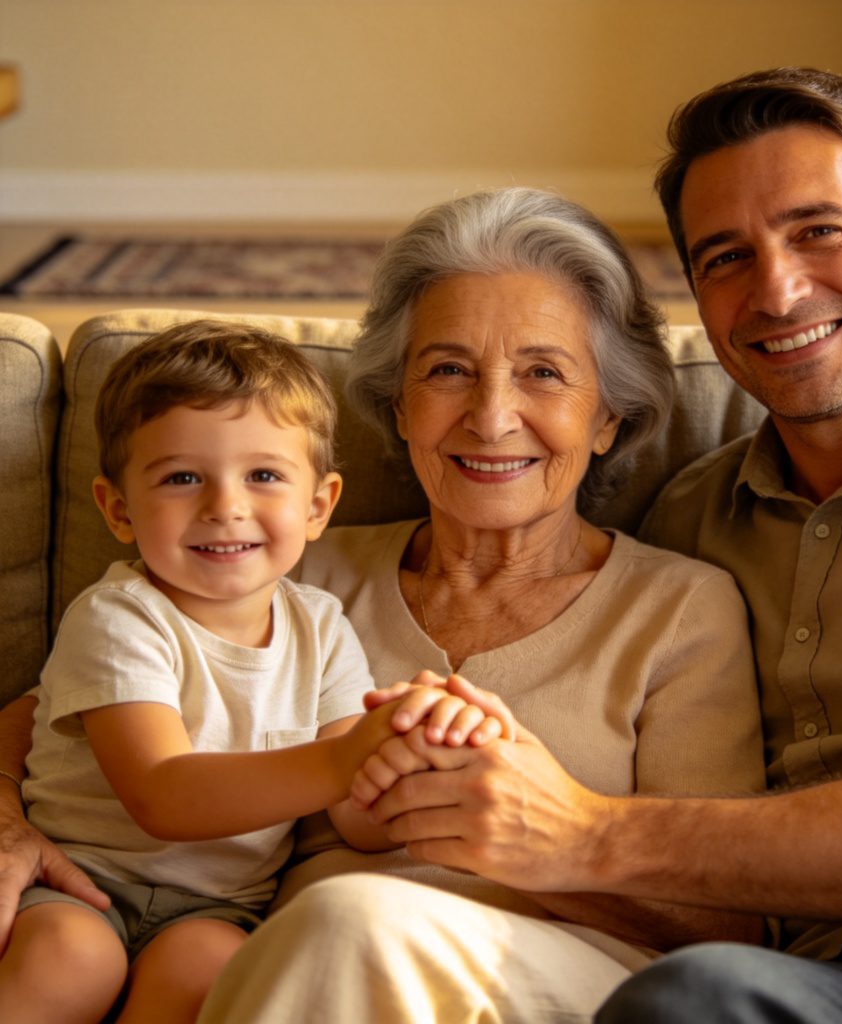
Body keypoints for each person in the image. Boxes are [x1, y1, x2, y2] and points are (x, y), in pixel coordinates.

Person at [314, 69, 842, 1023]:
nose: (776, 289)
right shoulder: (691, 517)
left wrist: (585, 835)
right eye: (726, 256)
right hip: (813, 984)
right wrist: (33, 799)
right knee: (693, 1000)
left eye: (819, 230)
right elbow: (156, 633)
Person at [191, 186, 767, 1022]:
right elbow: (87, 688)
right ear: (398, 404)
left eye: (543, 373)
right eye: (449, 370)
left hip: (562, 987)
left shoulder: (680, 611)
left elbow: (725, 922)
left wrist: (537, 842)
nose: (493, 418)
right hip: (302, 977)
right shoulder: (295, 576)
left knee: (350, 917)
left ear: (607, 415)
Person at [0, 321, 507, 1024]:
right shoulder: (118, 617)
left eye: (263, 475)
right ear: (118, 509)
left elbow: (354, 818)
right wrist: (345, 758)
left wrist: (412, 755)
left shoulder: (322, 627)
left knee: (209, 972)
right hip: (82, 880)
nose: (225, 506)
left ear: (318, 505)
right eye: (182, 478)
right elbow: (162, 795)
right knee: (73, 961)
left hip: (218, 908)